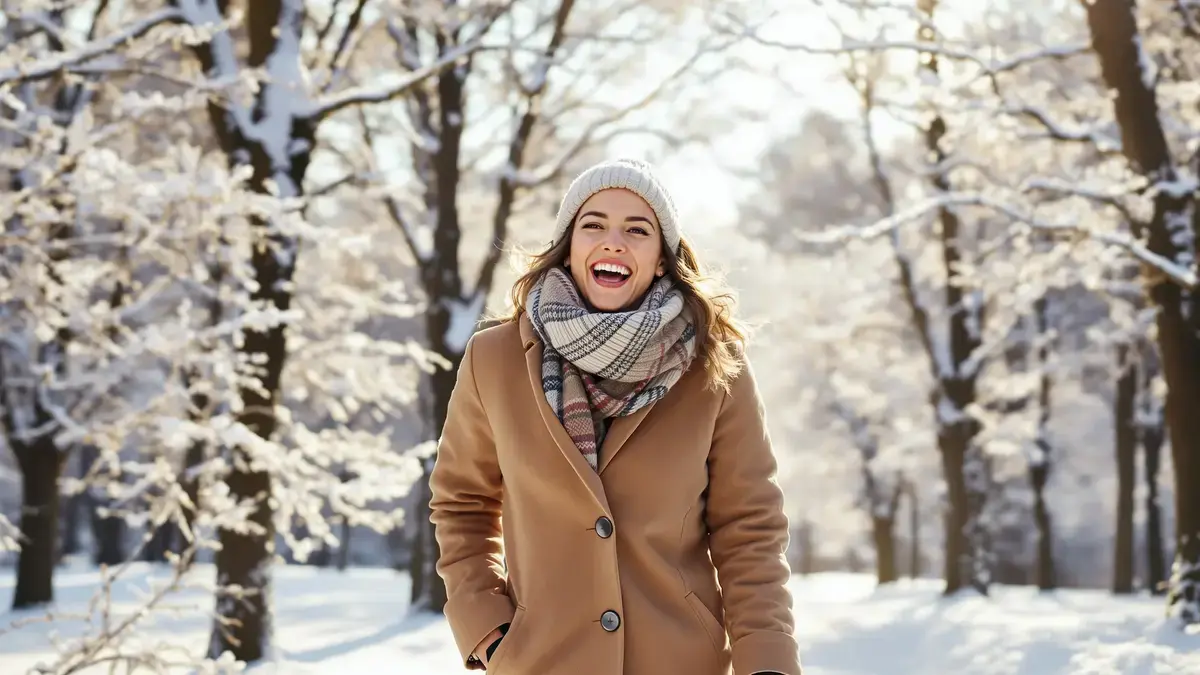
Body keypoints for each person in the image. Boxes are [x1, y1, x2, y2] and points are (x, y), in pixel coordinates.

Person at [428, 158, 802, 675]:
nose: (613, 242)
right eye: (594, 225)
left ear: (662, 260)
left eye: (637, 230)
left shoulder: (715, 367)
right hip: (541, 661)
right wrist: (487, 628)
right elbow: (461, 503)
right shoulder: (494, 359)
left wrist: (767, 660)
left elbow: (749, 528)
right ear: (569, 248)